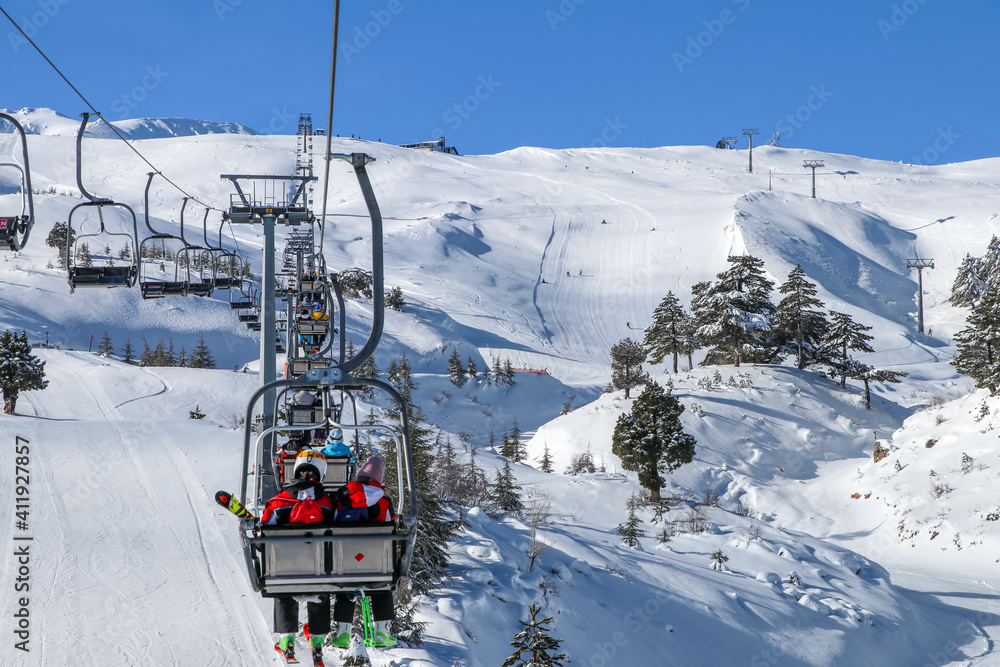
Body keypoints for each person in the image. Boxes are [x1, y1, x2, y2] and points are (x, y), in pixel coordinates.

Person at [262, 450, 334, 663]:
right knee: (322, 583)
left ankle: (287, 639)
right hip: (321, 567)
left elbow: (265, 532)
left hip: (285, 567)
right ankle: (318, 638)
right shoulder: (329, 504)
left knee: (283, 586)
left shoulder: (278, 501)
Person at [329, 456, 397, 649]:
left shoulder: (342, 497)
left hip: (346, 559)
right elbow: (390, 526)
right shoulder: (384, 501)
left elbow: (333, 522)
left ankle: (342, 633)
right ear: (379, 479)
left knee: (346, 588)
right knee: (382, 586)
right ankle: (382, 633)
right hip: (376, 561)